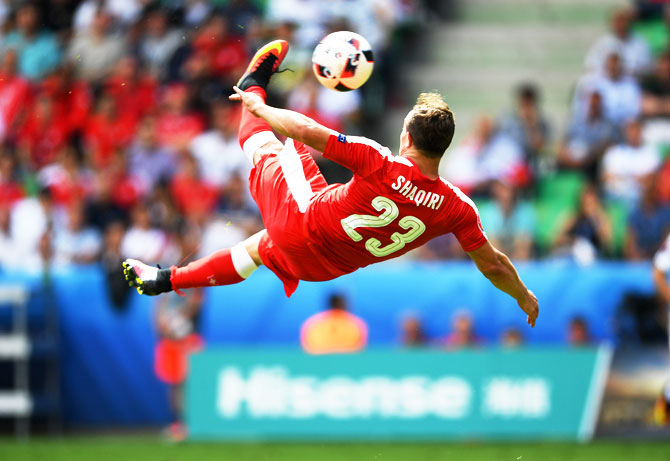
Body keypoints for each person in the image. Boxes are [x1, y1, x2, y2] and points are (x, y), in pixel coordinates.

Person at [123, 40, 539, 329]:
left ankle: (251, 85)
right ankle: (165, 281)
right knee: (252, 250)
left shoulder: (380, 162)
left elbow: (305, 129)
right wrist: (522, 294)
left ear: (407, 138)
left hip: (305, 223)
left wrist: (259, 106)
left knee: (272, 145)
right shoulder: (457, 206)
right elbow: (493, 263)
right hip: (324, 267)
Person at [300, 293, 367, 354]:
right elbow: (360, 349)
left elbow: (307, 348)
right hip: (347, 360)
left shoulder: (313, 322)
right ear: (345, 304)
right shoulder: (356, 323)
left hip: (320, 360)